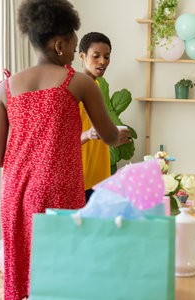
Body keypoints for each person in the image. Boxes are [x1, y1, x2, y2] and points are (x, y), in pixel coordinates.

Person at [0, 1, 129, 299]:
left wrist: (27, 151)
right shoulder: (77, 82)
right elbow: (107, 136)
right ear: (59, 44)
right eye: (73, 45)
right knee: (61, 273)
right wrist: (122, 135)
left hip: (15, 191)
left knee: (23, 273)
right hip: (57, 189)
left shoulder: (5, 87)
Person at [78, 32, 131, 201]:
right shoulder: (73, 89)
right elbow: (61, 141)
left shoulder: (98, 85)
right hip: (80, 179)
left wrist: (112, 134)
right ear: (82, 56)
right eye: (96, 56)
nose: (102, 61)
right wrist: (89, 135)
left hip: (101, 178)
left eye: (106, 57)